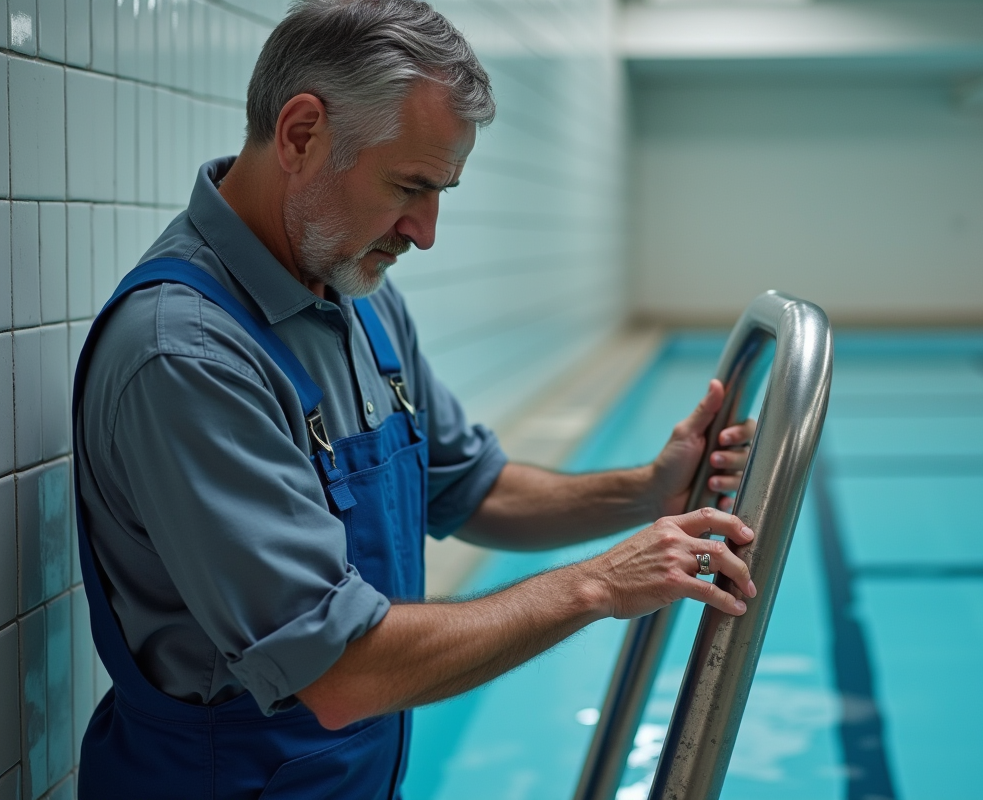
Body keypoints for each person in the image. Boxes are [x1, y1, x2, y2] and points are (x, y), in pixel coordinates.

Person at [72, 1, 757, 797]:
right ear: (301, 134)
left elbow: (471, 487)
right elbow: (338, 671)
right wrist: (596, 584)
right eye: (410, 185)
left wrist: (644, 490)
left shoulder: (354, 293)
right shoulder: (186, 353)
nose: (425, 231)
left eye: (443, 192)